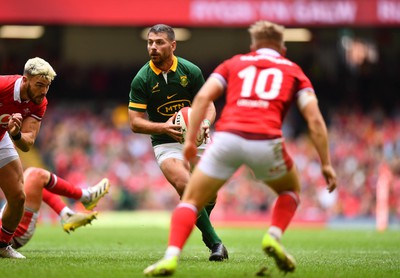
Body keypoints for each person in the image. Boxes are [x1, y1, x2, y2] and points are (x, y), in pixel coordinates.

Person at [143, 20, 337, 276]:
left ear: (253, 45)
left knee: (190, 198)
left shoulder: (234, 63)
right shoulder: (293, 70)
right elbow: (314, 120)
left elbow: (202, 98)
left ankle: (170, 257)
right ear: (283, 48)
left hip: (228, 138)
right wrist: (325, 163)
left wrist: (190, 142)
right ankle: (273, 236)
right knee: (290, 189)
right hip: (267, 139)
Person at [128, 24, 228, 261]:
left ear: (172, 45)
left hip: (197, 136)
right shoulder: (142, 79)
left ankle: (201, 219)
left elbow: (209, 104)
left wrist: (206, 122)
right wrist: (164, 127)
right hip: (165, 142)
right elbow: (134, 123)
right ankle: (215, 243)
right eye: (150, 42)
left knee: (207, 194)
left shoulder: (190, 71)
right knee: (185, 183)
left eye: (159, 42)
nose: (153, 47)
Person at [0, 57, 57, 259]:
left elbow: (28, 143)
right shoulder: (2, 86)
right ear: (25, 80)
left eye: (47, 86)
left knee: (18, 197)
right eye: (39, 85)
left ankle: (2, 245)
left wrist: (15, 134)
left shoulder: (39, 103)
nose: (43, 91)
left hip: (2, 140)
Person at [0, 167, 110, 258]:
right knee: (35, 175)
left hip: (7, 221)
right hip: (12, 230)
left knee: (31, 181)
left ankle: (67, 213)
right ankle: (86, 197)